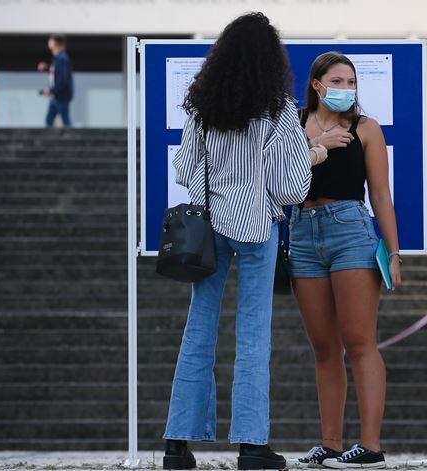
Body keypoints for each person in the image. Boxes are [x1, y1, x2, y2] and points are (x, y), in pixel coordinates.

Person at [162, 12, 318, 471]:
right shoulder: (279, 111)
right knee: (253, 336)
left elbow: (185, 170)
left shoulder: (203, 109)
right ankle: (251, 447)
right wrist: (310, 156)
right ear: (271, 60)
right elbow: (292, 189)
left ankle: (177, 445)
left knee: (198, 329)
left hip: (207, 230)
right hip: (257, 229)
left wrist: (217, 195)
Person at [287, 52, 402, 470]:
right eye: (337, 82)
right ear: (317, 85)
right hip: (300, 232)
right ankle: (330, 444)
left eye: (351, 83)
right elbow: (273, 170)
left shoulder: (366, 129)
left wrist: (393, 251)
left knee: (359, 341)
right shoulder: (293, 124)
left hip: (350, 229)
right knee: (323, 347)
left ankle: (370, 447)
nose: (346, 90)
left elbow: (381, 195)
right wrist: (316, 145)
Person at [38, 34, 74, 127]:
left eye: (51, 40)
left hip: (61, 96)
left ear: (57, 43)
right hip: (56, 96)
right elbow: (56, 74)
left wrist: (51, 91)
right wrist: (47, 69)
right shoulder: (58, 58)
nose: (49, 42)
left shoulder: (62, 59)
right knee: (49, 120)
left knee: (64, 120)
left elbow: (62, 79)